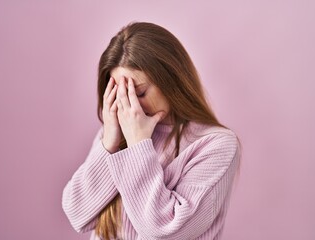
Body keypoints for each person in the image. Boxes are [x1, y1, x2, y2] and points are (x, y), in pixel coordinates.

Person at [62, 22, 242, 240]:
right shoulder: (114, 134)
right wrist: (109, 142)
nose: (130, 106)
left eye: (138, 92)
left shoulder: (216, 145)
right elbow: (77, 213)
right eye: (121, 94)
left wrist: (138, 143)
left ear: (171, 80)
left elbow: (163, 230)